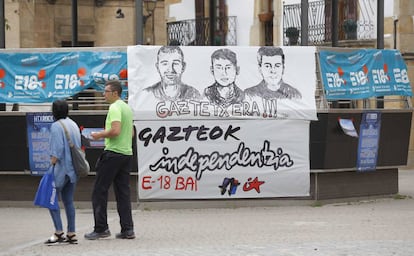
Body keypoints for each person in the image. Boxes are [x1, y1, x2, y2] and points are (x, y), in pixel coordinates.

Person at [84, 80, 135, 240]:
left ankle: (101, 228)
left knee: (99, 191)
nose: (103, 94)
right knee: (123, 193)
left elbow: (115, 130)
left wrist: (99, 135)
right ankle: (128, 229)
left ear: (115, 93)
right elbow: (131, 133)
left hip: (113, 153)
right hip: (126, 153)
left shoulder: (114, 107)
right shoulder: (126, 107)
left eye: (106, 91)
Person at [46, 99, 81, 244]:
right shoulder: (73, 124)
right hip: (73, 170)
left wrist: (51, 165)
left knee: (51, 199)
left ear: (54, 111)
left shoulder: (55, 126)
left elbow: (57, 151)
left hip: (60, 169)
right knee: (68, 201)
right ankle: (71, 233)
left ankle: (59, 232)